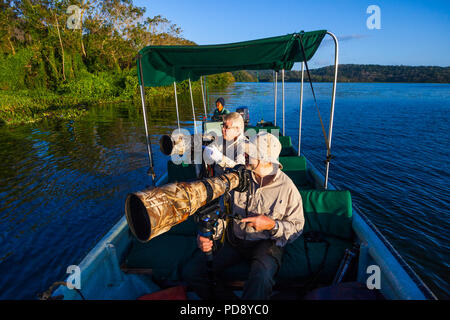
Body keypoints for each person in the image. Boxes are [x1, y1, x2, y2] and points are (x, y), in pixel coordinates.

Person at [183, 131, 304, 300]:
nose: (245, 155)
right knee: (193, 271)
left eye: (250, 153)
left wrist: (272, 225)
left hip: (266, 244)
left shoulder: (287, 188)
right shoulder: (237, 178)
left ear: (266, 160)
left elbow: (297, 228)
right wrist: (207, 235)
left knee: (261, 278)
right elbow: (220, 213)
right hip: (234, 241)